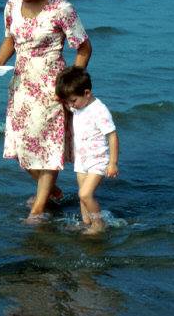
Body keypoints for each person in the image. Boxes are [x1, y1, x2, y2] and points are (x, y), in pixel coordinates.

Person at [0, 0, 92, 222]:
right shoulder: (11, 4)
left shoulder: (61, 8)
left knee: (47, 149)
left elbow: (84, 48)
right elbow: (10, 40)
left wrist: (73, 81)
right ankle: (50, 191)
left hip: (53, 87)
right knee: (22, 149)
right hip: (21, 85)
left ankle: (38, 210)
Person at [55, 66, 119, 234]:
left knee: (85, 194)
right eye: (68, 101)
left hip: (98, 160)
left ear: (87, 93)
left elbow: (112, 136)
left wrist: (113, 163)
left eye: (73, 100)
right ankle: (86, 222)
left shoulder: (99, 110)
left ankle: (99, 224)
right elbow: (68, 101)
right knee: (81, 195)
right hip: (82, 159)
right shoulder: (78, 105)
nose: (70, 105)